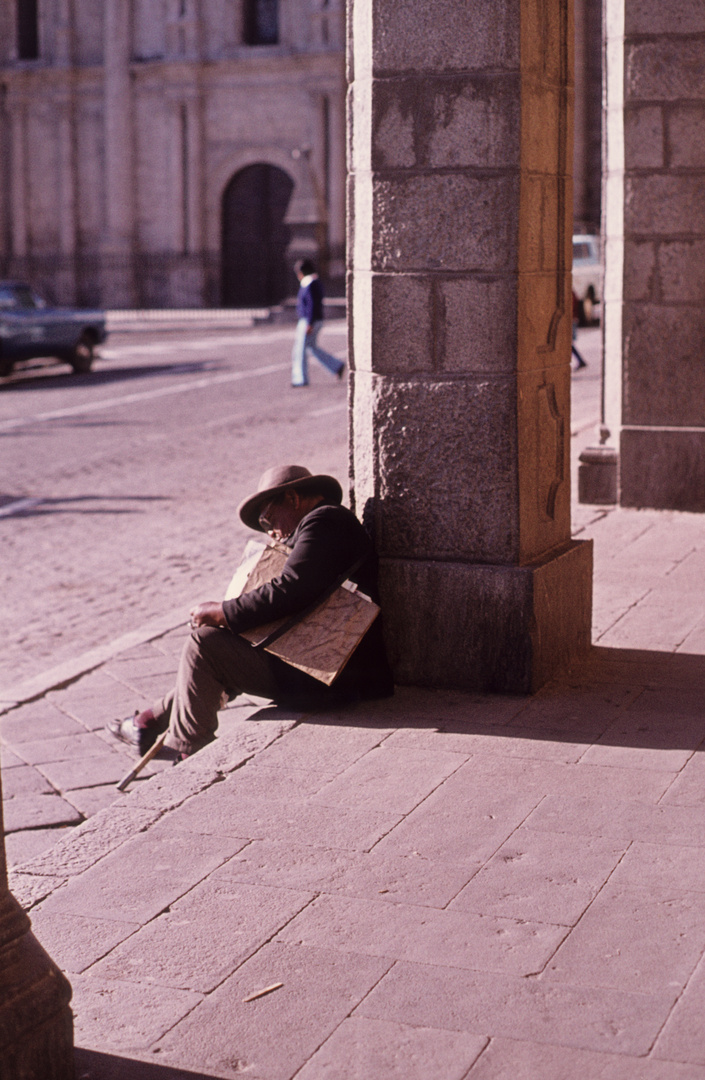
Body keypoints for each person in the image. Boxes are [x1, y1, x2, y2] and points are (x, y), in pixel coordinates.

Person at [107, 465, 393, 759]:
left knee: (204, 645)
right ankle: (148, 721)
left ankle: (186, 748)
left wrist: (224, 612)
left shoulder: (324, 521)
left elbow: (292, 588)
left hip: (334, 675)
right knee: (224, 646)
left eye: (268, 518)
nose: (271, 532)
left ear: (293, 499)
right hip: (336, 671)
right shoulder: (326, 524)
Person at [291, 258, 345, 387]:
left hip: (309, 321)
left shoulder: (309, 283)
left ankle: (300, 378)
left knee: (300, 350)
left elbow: (311, 305)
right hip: (314, 320)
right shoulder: (314, 282)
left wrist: (309, 322)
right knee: (312, 348)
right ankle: (336, 366)